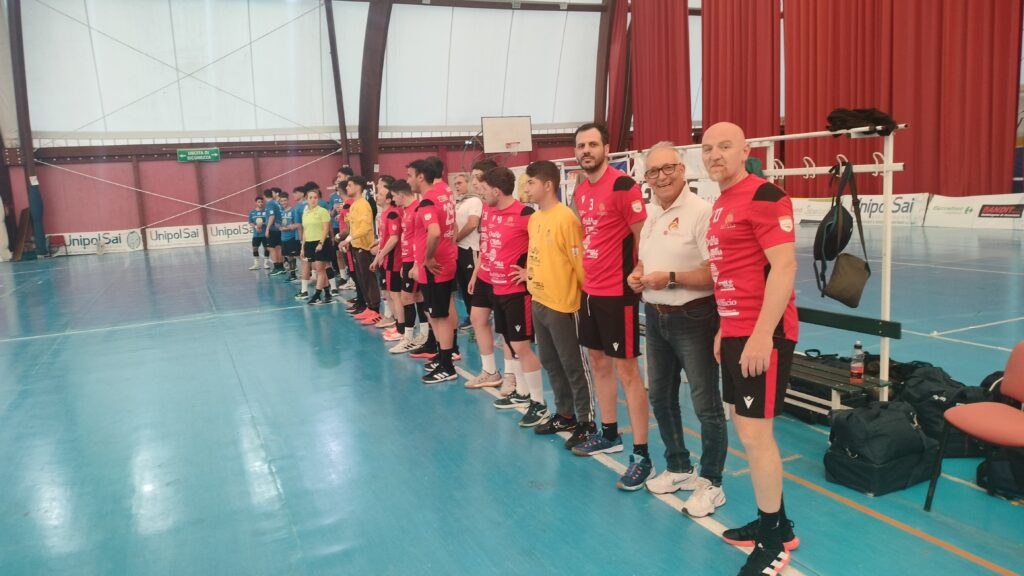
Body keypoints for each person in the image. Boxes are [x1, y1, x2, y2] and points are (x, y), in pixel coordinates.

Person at [702, 122, 800, 576]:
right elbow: (733, 271)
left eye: (725, 146)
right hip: (737, 330)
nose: (715, 154)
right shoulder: (723, 201)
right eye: (708, 148)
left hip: (764, 334)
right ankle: (778, 523)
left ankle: (773, 542)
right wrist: (726, 328)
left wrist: (762, 334)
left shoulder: (765, 196)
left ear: (745, 151)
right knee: (748, 430)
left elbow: (784, 267)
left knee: (756, 437)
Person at [627, 142, 728, 512]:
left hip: (694, 318)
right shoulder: (652, 214)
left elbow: (714, 273)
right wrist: (638, 274)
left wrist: (669, 278)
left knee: (706, 403)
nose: (661, 177)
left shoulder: (702, 212)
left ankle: (712, 481)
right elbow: (645, 261)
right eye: (653, 172)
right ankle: (679, 467)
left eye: (667, 168)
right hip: (655, 318)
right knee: (660, 396)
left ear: (683, 170)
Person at [568, 122, 653, 493]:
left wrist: (640, 270)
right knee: (598, 363)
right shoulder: (580, 188)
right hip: (590, 290)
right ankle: (609, 433)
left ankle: (642, 456)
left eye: (592, 144)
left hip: (618, 293)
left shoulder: (623, 186)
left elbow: (642, 235)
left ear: (606, 148)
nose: (586, 150)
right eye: (580, 145)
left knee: (627, 372)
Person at [514, 160, 596, 448]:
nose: (526, 188)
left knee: (573, 365)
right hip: (539, 300)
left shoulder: (566, 219)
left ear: (548, 185)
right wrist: (529, 275)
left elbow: (579, 263)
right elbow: (541, 255)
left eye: (531, 182)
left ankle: (586, 421)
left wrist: (586, 303)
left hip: (564, 305)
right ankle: (565, 414)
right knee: (550, 361)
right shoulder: (535, 219)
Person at [475, 167, 545, 425]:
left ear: (496, 191)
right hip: (497, 289)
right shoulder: (490, 211)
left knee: (522, 347)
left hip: (517, 293)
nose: (481, 194)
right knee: (510, 343)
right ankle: (522, 393)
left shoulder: (525, 215)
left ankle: (539, 403)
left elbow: (544, 248)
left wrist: (530, 272)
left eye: (484, 190)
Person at [463, 159, 518, 393]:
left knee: (505, 329)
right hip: (485, 273)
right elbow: (485, 245)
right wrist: (476, 273)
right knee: (477, 318)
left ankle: (511, 375)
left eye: (479, 178)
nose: (475, 183)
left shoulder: (517, 211)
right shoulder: (486, 208)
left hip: (505, 278)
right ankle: (489, 371)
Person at [407, 159, 459, 383]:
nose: (408, 180)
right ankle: (443, 356)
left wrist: (427, 258)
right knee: (438, 314)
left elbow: (435, 232)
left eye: (410, 175)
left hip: (435, 266)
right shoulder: (443, 193)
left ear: (421, 177)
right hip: (444, 261)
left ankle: (447, 366)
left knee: (439, 316)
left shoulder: (428, 200)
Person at [389, 180, 430, 354]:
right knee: (418, 296)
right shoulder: (406, 210)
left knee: (406, 298)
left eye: (393, 196)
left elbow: (421, 238)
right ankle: (424, 334)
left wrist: (415, 264)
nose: (393, 199)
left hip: (414, 260)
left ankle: (408, 337)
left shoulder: (417, 209)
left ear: (401, 194)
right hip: (407, 260)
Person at [342, 176, 383, 325]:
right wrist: (349, 241)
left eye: (350, 185)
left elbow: (365, 228)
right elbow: (354, 228)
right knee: (361, 279)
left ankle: (376, 310)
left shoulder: (363, 205)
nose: (347, 188)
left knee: (369, 279)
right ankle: (369, 307)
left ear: (358, 187)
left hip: (364, 247)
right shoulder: (354, 205)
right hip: (356, 246)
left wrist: (348, 239)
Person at [372, 177, 405, 339]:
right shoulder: (384, 215)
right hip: (386, 260)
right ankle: (397, 324)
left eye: (380, 194)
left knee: (396, 295)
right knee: (390, 294)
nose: (377, 196)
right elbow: (385, 238)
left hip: (394, 260)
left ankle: (401, 328)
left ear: (388, 199)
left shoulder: (392, 214)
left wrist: (380, 255)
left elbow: (394, 238)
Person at [454, 172, 482, 332]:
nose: (456, 186)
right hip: (459, 249)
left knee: (473, 285)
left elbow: (472, 224)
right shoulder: (460, 202)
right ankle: (471, 315)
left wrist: (456, 238)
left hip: (470, 249)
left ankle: (478, 317)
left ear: (469, 183)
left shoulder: (475, 201)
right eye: (455, 184)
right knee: (463, 285)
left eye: (459, 183)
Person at [301, 187, 334, 305]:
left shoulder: (323, 211)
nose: (313, 200)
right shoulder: (305, 213)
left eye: (315, 197)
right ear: (307, 199)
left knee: (320, 269)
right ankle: (327, 293)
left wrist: (321, 243)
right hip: (309, 243)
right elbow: (305, 231)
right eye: (310, 198)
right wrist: (302, 247)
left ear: (318, 199)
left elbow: (325, 229)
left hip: (321, 243)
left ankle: (317, 295)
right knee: (317, 269)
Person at [277, 189, 301, 282]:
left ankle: (306, 274)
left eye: (285, 200)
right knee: (289, 256)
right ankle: (292, 274)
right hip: (284, 238)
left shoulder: (293, 210)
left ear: (288, 200)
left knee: (298, 256)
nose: (283, 202)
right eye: (281, 201)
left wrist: (287, 228)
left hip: (292, 237)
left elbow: (297, 224)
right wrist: (279, 227)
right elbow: (278, 223)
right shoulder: (281, 212)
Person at [264, 188, 286, 276]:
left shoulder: (270, 204)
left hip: (273, 229)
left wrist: (267, 229)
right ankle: (281, 267)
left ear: (264, 196)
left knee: (272, 248)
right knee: (278, 248)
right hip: (278, 229)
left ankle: (276, 268)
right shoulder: (276, 203)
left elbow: (272, 216)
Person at [248, 195, 269, 270]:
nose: (260, 203)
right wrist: (256, 226)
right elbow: (250, 222)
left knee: (266, 248)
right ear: (256, 203)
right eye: (259, 202)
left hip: (265, 234)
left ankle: (266, 263)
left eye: (262, 202)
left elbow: (269, 221)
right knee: (255, 248)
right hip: (256, 234)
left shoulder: (266, 211)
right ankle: (256, 264)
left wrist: (262, 224)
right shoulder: (252, 212)